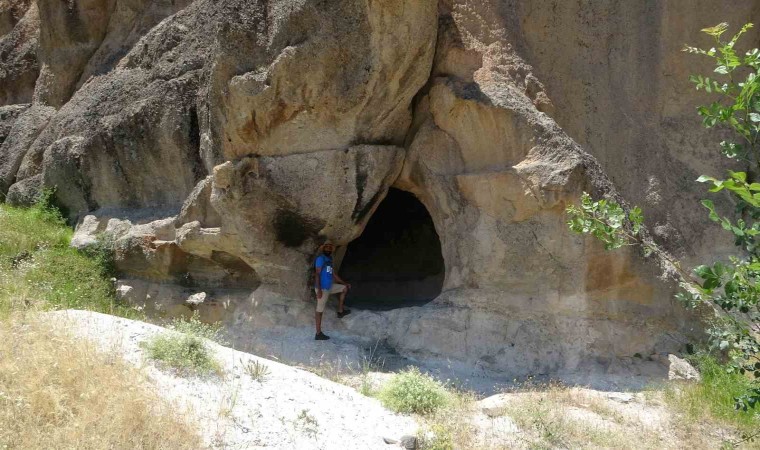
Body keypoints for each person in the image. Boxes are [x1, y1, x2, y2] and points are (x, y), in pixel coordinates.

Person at [313, 240, 351, 340]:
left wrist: (344, 283)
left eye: (330, 247)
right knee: (319, 310)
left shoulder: (329, 259)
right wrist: (319, 290)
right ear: (323, 248)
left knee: (344, 288)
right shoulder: (320, 259)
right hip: (323, 288)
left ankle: (340, 311)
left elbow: (333, 274)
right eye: (327, 247)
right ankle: (318, 333)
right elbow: (317, 274)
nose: (328, 248)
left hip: (329, 287)